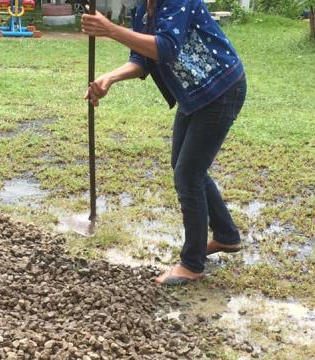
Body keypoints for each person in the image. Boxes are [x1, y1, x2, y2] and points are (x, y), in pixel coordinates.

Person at [82, 0, 247, 286]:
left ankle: (192, 264)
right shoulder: (142, 9)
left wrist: (109, 30)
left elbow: (166, 47)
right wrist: (109, 78)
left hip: (220, 88)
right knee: (184, 167)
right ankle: (226, 236)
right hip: (194, 94)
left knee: (188, 174)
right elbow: (141, 59)